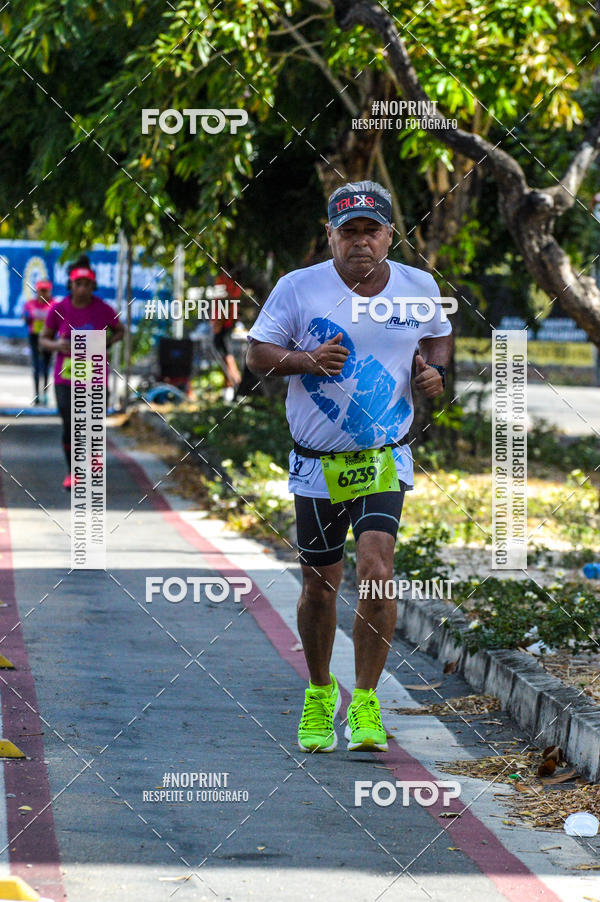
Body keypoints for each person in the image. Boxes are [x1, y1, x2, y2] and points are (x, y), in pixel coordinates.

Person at [246, 180, 453, 753]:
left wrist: (431, 372)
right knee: (319, 584)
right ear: (330, 235)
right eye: (349, 230)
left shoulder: (418, 286)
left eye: (372, 229)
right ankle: (318, 693)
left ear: (390, 235)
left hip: (383, 455)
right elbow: (257, 353)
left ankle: (365, 701)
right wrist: (305, 360)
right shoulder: (299, 288)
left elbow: (438, 337)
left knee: (377, 569)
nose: (361, 241)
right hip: (317, 462)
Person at [40, 255, 124, 490]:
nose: (83, 289)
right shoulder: (59, 309)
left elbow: (121, 331)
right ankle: (73, 473)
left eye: (88, 285)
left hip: (95, 376)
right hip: (66, 377)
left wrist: (107, 342)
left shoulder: (103, 310)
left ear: (93, 286)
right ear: (71, 285)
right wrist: (58, 346)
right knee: (70, 424)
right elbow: (43, 340)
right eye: (79, 284)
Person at [211, 272, 241, 401]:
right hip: (221, 327)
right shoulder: (222, 280)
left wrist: (219, 322)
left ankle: (237, 386)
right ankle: (229, 390)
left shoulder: (232, 283)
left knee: (228, 360)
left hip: (224, 327)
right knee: (225, 360)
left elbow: (230, 303)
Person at [23, 279, 53, 404]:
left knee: (46, 367)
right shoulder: (30, 304)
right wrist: (29, 318)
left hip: (49, 337)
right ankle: (36, 395)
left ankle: (45, 394)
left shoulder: (54, 304)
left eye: (46, 291)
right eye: (41, 290)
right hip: (34, 337)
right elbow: (26, 319)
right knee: (36, 366)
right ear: (37, 291)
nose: (43, 293)